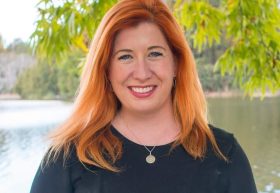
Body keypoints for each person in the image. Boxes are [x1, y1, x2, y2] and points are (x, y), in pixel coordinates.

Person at [30, 0, 258, 193]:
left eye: (155, 54)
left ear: (176, 63)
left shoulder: (224, 154)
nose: (141, 73)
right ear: (106, 69)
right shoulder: (68, 159)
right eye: (125, 57)